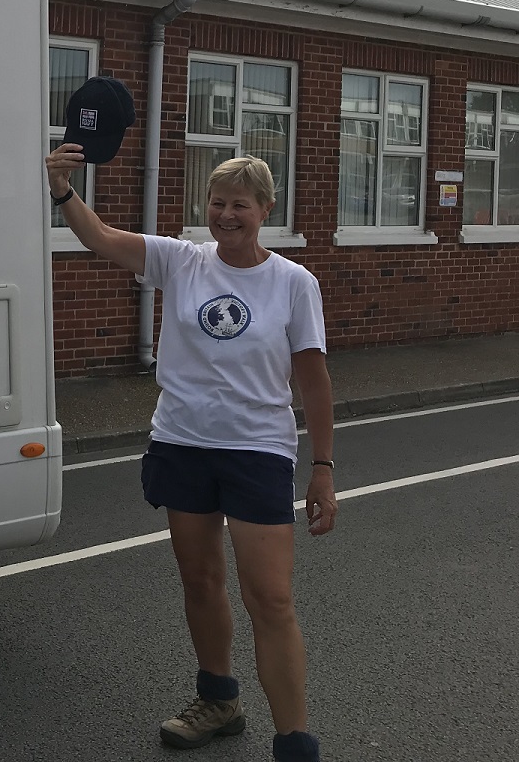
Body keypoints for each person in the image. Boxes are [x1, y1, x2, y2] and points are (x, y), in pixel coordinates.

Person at [45, 144, 337, 762]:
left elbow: (312, 381)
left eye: (241, 205)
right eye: (217, 202)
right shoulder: (180, 261)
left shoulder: (292, 283)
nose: (227, 215)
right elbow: (100, 238)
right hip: (182, 442)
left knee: (271, 598)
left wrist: (322, 468)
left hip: (256, 450)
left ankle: (295, 742)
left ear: (266, 209)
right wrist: (63, 187)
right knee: (200, 580)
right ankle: (219, 699)